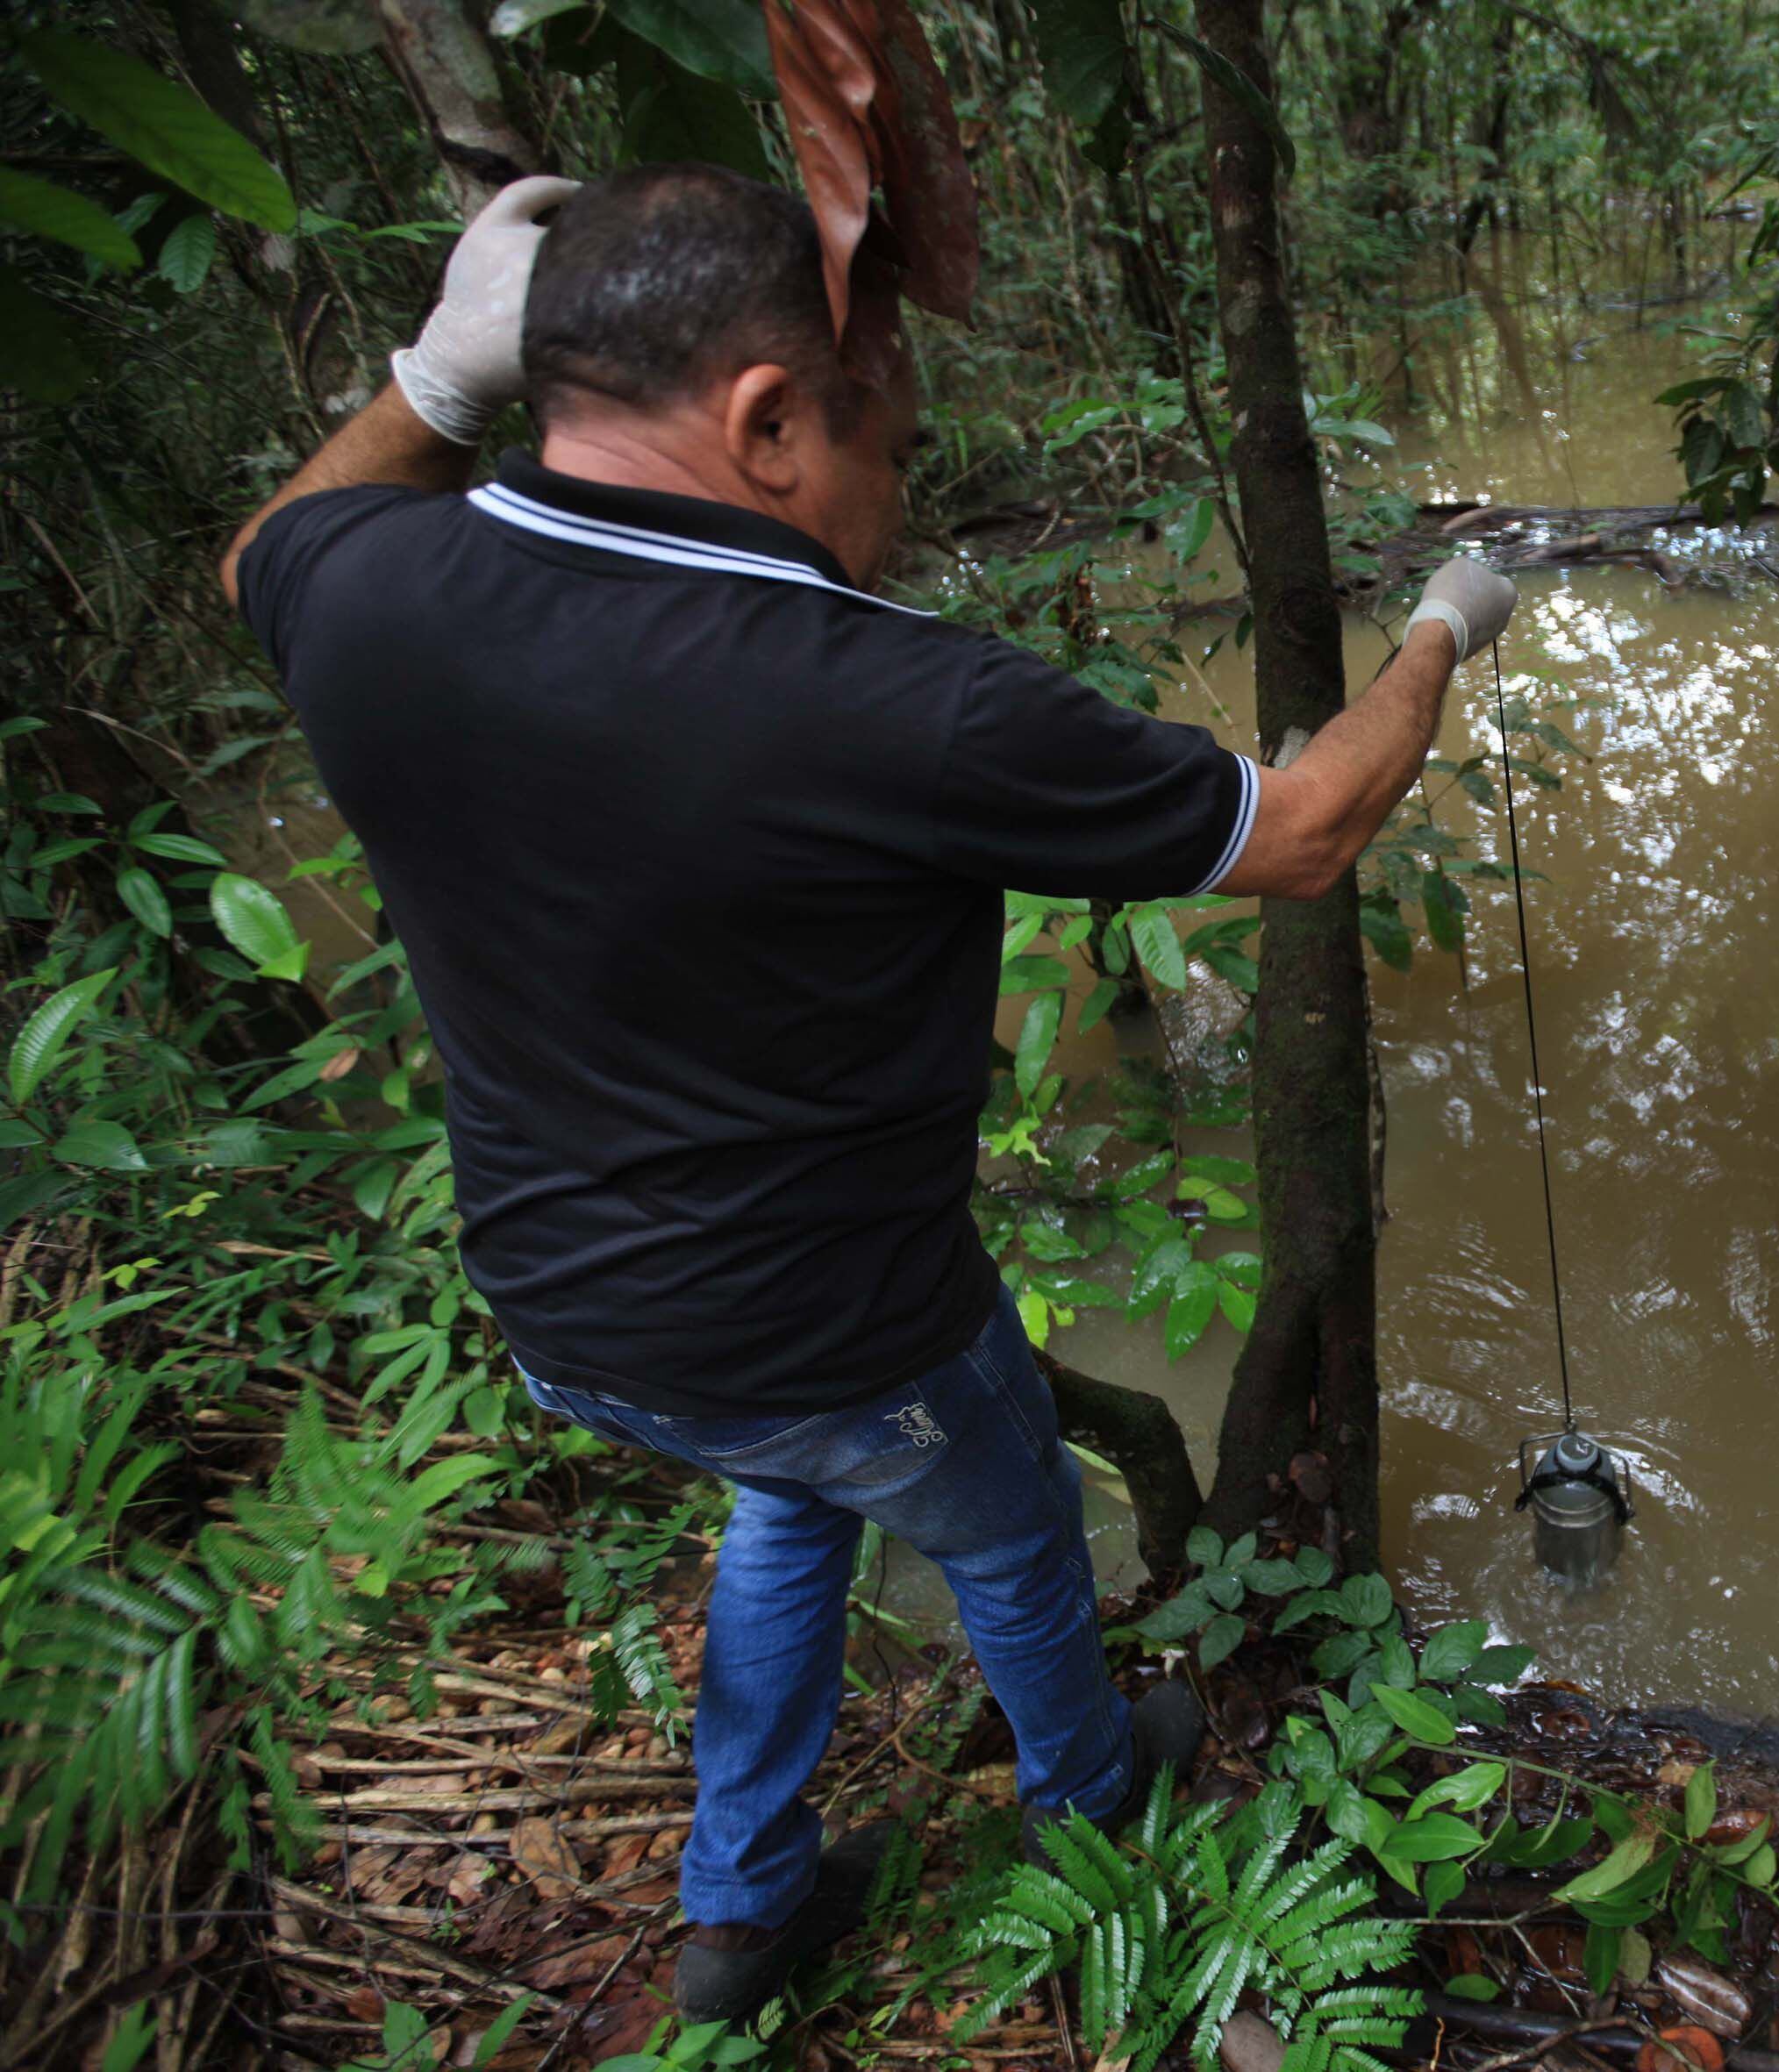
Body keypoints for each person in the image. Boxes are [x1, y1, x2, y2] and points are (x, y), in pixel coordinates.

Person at [218, 163, 1517, 2024]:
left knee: (787, 1486)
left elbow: (263, 541)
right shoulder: (899, 702)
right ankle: (1092, 1797)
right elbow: (1305, 826)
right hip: (842, 1327)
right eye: (885, 446)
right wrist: (1444, 629)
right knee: (1005, 1524)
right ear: (763, 422)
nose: (895, 506)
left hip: (569, 1316)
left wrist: (435, 381)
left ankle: (739, 1900)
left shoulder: (372, 595)